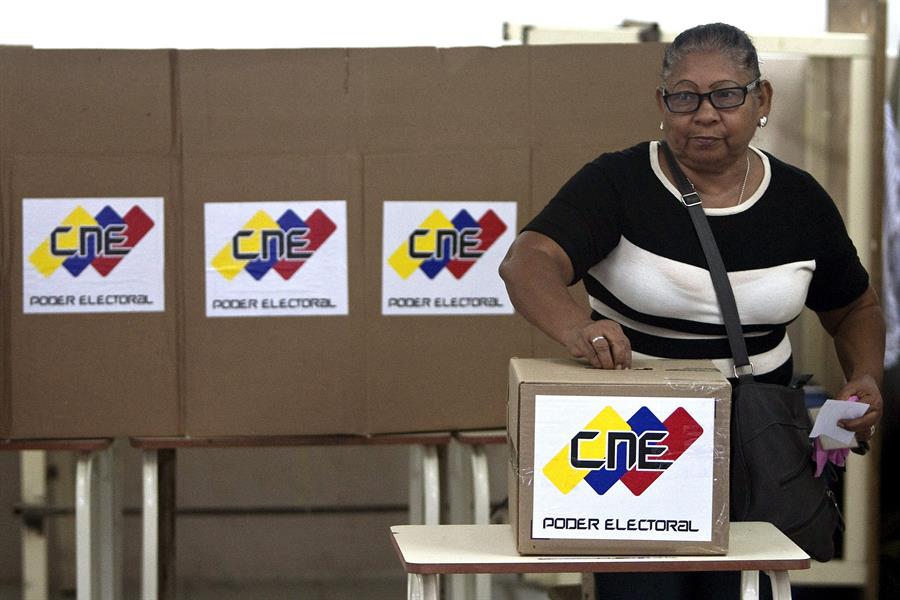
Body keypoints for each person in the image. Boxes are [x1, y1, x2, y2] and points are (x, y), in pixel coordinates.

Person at [499, 22, 886, 599]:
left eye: (727, 94)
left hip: (757, 446)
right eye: (685, 97)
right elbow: (527, 262)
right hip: (636, 443)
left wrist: (864, 376)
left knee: (746, 590)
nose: (704, 113)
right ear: (662, 103)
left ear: (762, 99)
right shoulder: (618, 183)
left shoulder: (799, 201)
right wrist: (577, 328)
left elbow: (853, 304)